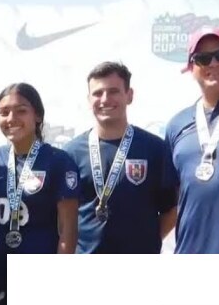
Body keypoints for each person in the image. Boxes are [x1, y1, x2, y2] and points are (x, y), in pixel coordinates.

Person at [0, 83, 78, 305]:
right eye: (4, 112)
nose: (11, 118)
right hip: (3, 269)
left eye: (21, 110)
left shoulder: (57, 160)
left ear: (37, 116)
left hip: (41, 271)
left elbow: (68, 228)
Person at [62, 62, 179, 254]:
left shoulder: (154, 148)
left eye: (113, 91)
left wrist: (147, 242)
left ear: (129, 95)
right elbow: (62, 217)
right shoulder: (71, 153)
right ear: (89, 99)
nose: (105, 99)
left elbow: (171, 209)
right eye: (97, 93)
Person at [164, 26, 219, 254]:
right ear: (191, 68)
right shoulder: (177, 124)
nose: (213, 63)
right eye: (203, 59)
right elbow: (171, 201)